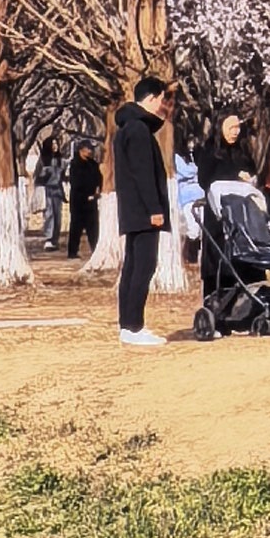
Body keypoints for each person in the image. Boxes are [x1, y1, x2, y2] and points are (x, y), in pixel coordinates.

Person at [110, 76, 171, 346]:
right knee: (143, 266)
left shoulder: (127, 128)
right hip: (144, 212)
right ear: (151, 98)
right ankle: (134, 326)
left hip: (133, 210)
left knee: (133, 266)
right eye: (161, 99)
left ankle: (128, 325)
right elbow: (143, 173)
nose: (163, 105)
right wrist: (154, 209)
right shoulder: (138, 130)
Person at [64, 133, 101, 262]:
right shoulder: (75, 164)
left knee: (93, 226)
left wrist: (96, 191)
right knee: (76, 226)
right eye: (88, 149)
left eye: (91, 149)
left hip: (92, 200)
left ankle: (96, 250)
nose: (90, 151)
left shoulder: (93, 164)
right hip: (78, 201)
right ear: (81, 150)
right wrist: (85, 195)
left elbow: (98, 179)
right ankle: (72, 252)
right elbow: (76, 182)